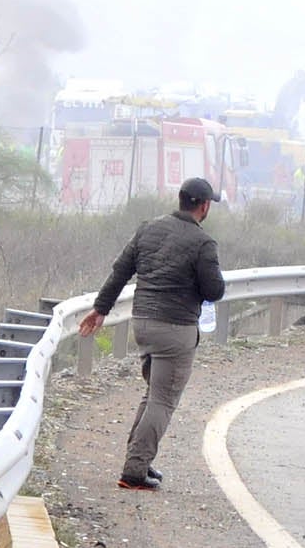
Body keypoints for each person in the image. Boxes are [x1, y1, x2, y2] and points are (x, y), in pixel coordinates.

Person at [79, 177, 227, 492]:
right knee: (163, 399)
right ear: (205, 205)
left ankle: (140, 460)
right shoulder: (203, 244)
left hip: (143, 323)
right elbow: (215, 290)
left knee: (153, 394)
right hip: (176, 329)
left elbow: (120, 272)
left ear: (180, 199)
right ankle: (134, 471)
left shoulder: (148, 228)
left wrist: (100, 309)